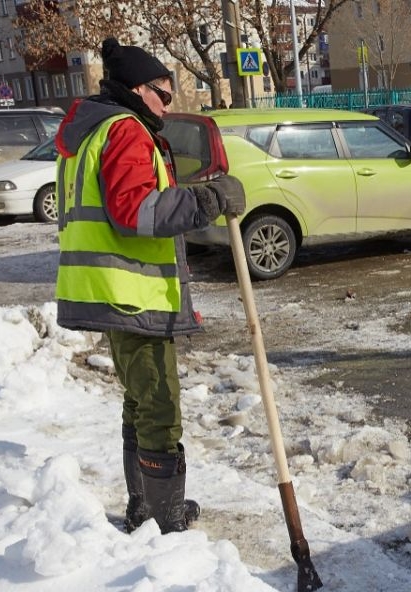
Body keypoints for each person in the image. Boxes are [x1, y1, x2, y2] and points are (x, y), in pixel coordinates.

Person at [54, 38, 245, 534]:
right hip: (129, 292)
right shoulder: (125, 132)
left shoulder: (92, 131)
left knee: (139, 401)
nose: (170, 102)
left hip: (106, 288)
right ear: (139, 89)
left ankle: (144, 506)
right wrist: (208, 199)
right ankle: (165, 522)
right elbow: (136, 210)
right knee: (159, 405)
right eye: (165, 91)